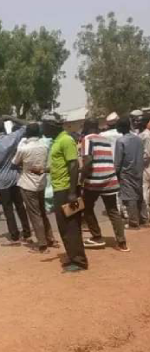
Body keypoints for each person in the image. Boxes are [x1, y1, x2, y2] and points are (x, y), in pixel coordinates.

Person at [42, 112, 88, 272]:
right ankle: (72, 256)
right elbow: (60, 165)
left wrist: (72, 192)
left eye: (44, 126)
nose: (42, 129)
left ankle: (79, 261)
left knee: (71, 226)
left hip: (66, 190)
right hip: (59, 189)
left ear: (51, 126)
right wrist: (44, 170)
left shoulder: (66, 140)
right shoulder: (57, 141)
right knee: (63, 226)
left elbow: (73, 165)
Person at [79, 119, 128, 251]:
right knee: (113, 210)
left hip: (94, 180)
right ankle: (122, 242)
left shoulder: (87, 139)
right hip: (110, 179)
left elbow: (88, 161)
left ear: (86, 127)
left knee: (86, 207)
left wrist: (81, 179)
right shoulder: (105, 140)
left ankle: (97, 237)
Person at [12, 123, 57, 253]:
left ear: (27, 134)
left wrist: (21, 144)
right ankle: (50, 239)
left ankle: (42, 245)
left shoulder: (23, 148)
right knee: (42, 213)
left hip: (28, 184)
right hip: (41, 182)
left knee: (35, 215)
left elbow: (14, 162)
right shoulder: (44, 146)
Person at [0, 116, 31, 244]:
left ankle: (14, 235)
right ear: (4, 129)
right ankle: (27, 232)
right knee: (20, 206)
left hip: (2, 181)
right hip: (16, 178)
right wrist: (10, 117)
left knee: (8, 209)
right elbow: (28, 125)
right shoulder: (13, 137)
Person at [115, 117, 148, 229]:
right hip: (138, 170)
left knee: (130, 197)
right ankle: (144, 219)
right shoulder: (138, 139)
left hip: (126, 172)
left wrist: (116, 173)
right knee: (139, 195)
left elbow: (118, 161)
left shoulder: (121, 141)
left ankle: (134, 223)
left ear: (120, 127)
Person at [139, 116, 150, 208]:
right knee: (145, 188)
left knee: (145, 188)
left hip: (145, 165)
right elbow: (146, 154)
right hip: (146, 166)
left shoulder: (143, 135)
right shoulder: (146, 135)